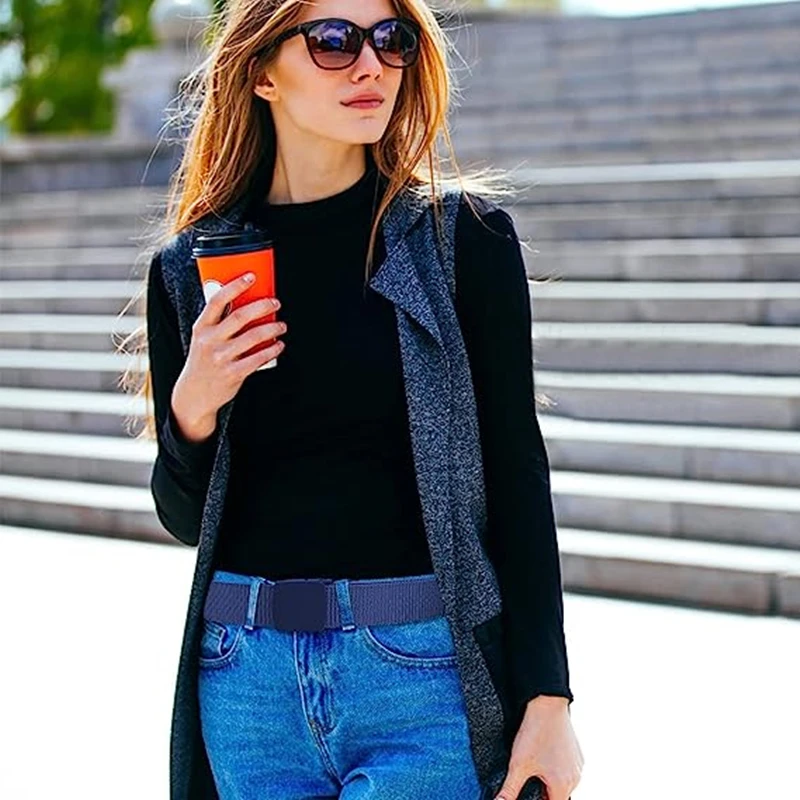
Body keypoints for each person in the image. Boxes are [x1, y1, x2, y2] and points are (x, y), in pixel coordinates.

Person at [139, 1, 584, 798]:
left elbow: (518, 476)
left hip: (421, 677)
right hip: (245, 686)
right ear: (262, 73)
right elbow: (186, 520)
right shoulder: (190, 268)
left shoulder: (464, 242)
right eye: (334, 42)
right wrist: (192, 409)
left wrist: (548, 700)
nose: (371, 66)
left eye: (392, 40)